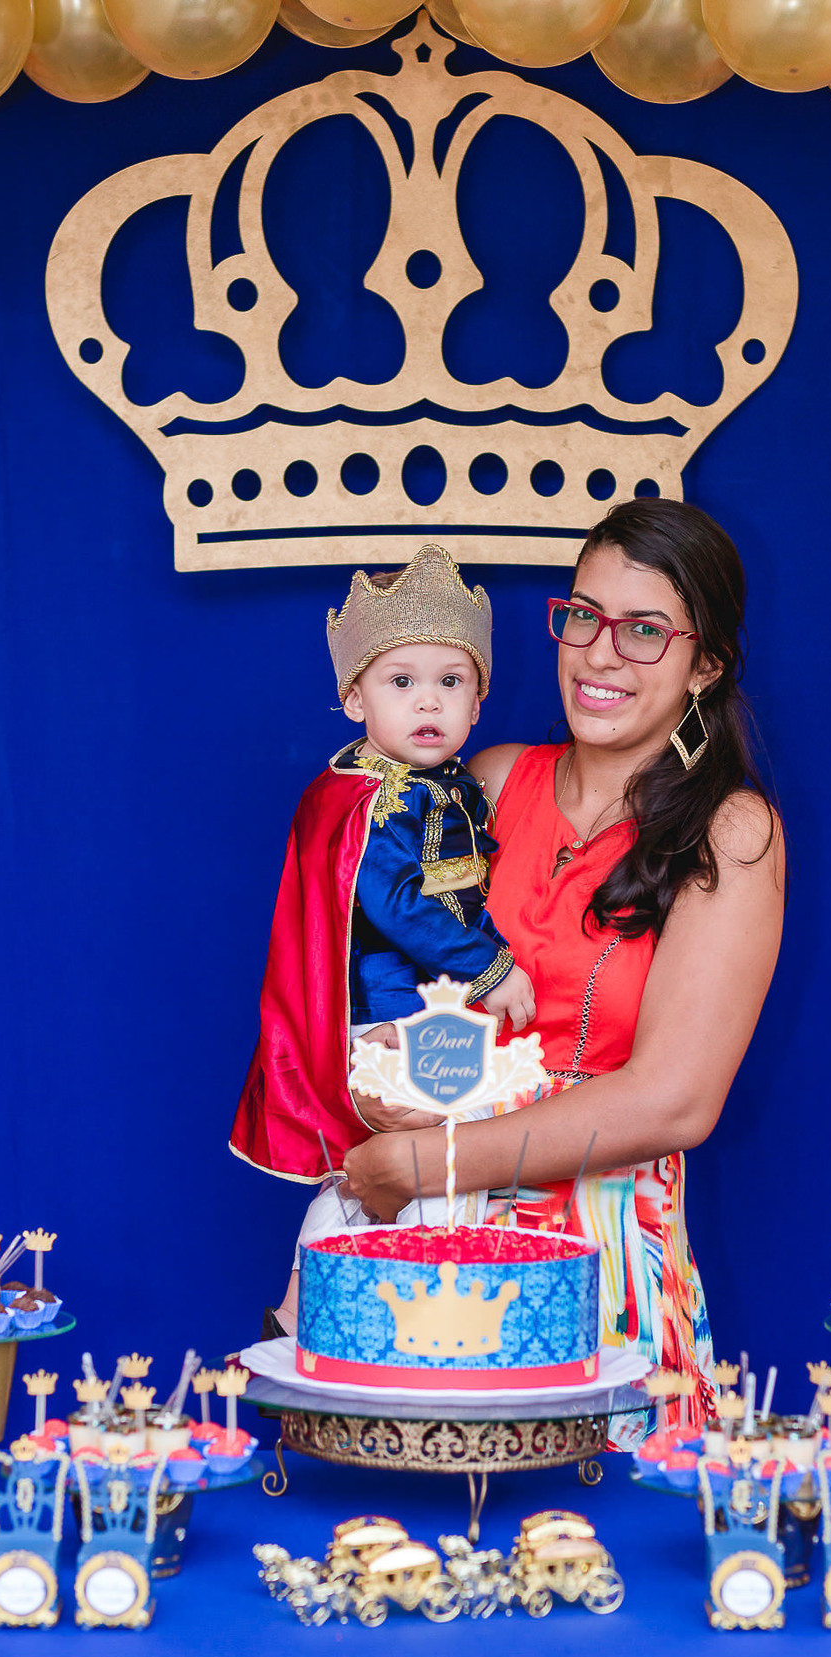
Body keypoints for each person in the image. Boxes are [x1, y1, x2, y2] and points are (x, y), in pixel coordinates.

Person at [338, 499, 785, 1443]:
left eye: (644, 631)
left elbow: (674, 1103)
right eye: (582, 615)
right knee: (416, 1535)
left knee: (597, 1554)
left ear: (705, 664)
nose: (599, 653)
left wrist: (428, 1162)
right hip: (430, 1243)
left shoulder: (731, 833)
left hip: (603, 1256)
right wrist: (379, 1089)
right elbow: (374, 964)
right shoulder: (489, 781)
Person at [230, 542, 536, 1331]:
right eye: (401, 683)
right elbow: (395, 902)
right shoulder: (379, 798)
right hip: (399, 1020)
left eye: (450, 682)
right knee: (446, 1162)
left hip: (423, 1012)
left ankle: (305, 1312)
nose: (427, 703)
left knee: (374, 1178)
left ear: (479, 697)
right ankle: (423, 1317)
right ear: (355, 699)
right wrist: (492, 967)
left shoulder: (435, 787)